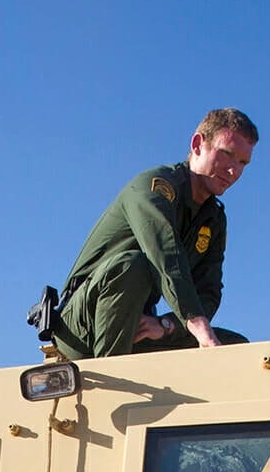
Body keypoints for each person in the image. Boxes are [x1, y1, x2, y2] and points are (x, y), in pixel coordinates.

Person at [48, 109, 257, 359]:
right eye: (227, 154)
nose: (233, 170)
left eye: (243, 163)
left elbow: (208, 292)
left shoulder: (213, 220)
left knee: (237, 348)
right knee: (132, 266)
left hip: (136, 326)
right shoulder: (154, 187)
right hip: (81, 326)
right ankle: (114, 384)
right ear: (198, 144)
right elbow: (165, 253)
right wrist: (199, 327)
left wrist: (167, 326)